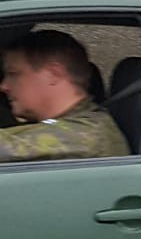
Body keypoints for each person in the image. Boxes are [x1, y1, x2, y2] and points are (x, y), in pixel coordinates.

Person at [0, 29, 129, 163]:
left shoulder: (85, 136)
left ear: (53, 74)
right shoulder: (75, 124)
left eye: (13, 74)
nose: (3, 86)